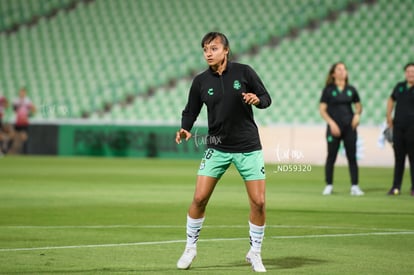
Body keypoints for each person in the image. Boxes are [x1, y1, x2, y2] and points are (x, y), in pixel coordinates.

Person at [175, 32, 272, 272]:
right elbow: (191, 110)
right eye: (205, 49)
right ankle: (190, 248)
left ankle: (255, 252)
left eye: (214, 48)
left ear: (226, 50)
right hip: (217, 146)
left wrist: (256, 99)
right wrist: (185, 129)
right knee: (199, 198)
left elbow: (266, 98)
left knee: (258, 202)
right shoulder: (200, 81)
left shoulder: (244, 72)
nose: (208, 53)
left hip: (248, 146)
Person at [319, 62, 364, 196]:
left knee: (352, 156)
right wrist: (331, 124)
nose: (342, 71)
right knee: (331, 156)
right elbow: (322, 110)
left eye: (344, 69)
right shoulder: (328, 90)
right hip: (334, 127)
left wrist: (357, 115)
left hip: (350, 127)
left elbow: (358, 106)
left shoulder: (351, 89)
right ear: (333, 73)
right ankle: (329, 185)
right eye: (339, 69)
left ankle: (355, 186)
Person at [386, 62, 414, 196]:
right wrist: (388, 116)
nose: (410, 74)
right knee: (399, 158)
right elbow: (391, 100)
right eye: (408, 71)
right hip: (398, 127)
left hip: (412, 128)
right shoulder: (400, 87)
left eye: (413, 71)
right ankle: (396, 187)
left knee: (413, 158)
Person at [10, 87, 36, 154]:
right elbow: (14, 109)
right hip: (18, 121)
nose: (22, 93)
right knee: (13, 135)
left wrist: (28, 115)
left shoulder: (27, 101)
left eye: (23, 92)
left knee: (24, 137)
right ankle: (8, 151)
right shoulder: (16, 100)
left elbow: (34, 109)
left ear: (25, 93)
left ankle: (25, 153)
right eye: (21, 92)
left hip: (24, 122)